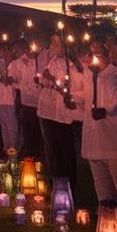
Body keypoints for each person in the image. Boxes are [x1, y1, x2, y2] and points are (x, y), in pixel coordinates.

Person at [79, 37, 117, 222]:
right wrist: (71, 99)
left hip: (114, 145)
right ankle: (107, 227)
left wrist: (105, 111)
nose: (95, 56)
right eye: (92, 52)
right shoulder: (91, 75)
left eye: (99, 52)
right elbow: (86, 100)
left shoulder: (115, 76)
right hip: (94, 144)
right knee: (103, 193)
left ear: (109, 54)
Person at [37, 33, 82, 190]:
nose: (52, 47)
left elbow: (67, 88)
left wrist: (51, 79)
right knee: (51, 147)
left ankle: (68, 182)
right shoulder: (53, 61)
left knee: (64, 147)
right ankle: (54, 180)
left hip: (61, 112)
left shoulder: (71, 65)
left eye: (56, 43)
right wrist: (43, 79)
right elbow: (45, 80)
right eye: (52, 43)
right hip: (48, 110)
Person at [11, 38, 48, 160]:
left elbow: (43, 79)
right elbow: (16, 81)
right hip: (26, 103)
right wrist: (19, 86)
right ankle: (29, 158)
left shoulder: (39, 62)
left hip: (38, 103)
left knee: (38, 134)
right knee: (27, 132)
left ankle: (39, 159)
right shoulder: (19, 63)